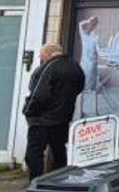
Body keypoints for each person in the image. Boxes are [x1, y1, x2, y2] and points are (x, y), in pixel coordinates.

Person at [23, 43, 86, 179]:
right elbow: (80, 87)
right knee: (59, 152)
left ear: (48, 53)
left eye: (41, 56)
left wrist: (28, 110)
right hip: (63, 117)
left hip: (42, 119)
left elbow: (39, 94)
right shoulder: (75, 66)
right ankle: (60, 180)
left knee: (33, 154)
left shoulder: (48, 67)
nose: (41, 58)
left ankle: (36, 182)